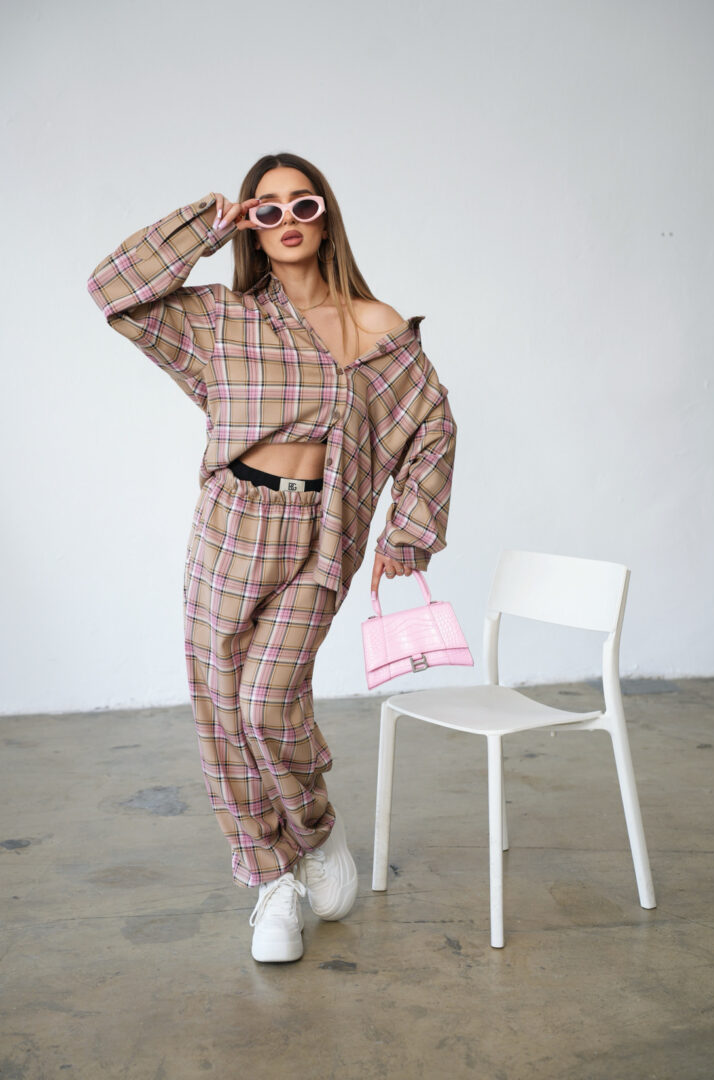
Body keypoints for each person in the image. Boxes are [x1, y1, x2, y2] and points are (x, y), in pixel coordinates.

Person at [87, 151, 457, 964]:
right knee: (222, 710)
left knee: (265, 703)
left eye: (303, 204)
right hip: (231, 523)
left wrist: (408, 532)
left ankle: (315, 832)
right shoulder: (223, 319)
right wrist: (203, 225)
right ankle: (272, 880)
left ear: (327, 216)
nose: (287, 220)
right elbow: (113, 291)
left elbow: (432, 424)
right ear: (250, 226)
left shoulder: (375, 324)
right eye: (267, 209)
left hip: (321, 532)